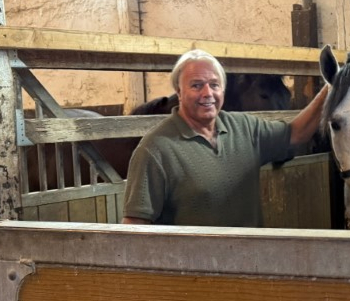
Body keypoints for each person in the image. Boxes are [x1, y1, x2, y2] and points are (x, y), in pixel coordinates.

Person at [122, 49, 326, 227]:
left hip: (250, 264)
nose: (207, 93)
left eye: (214, 84)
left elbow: (297, 133)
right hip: (193, 270)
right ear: (179, 92)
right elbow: (134, 226)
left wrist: (332, 86)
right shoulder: (154, 149)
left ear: (223, 90)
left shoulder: (245, 128)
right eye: (196, 85)